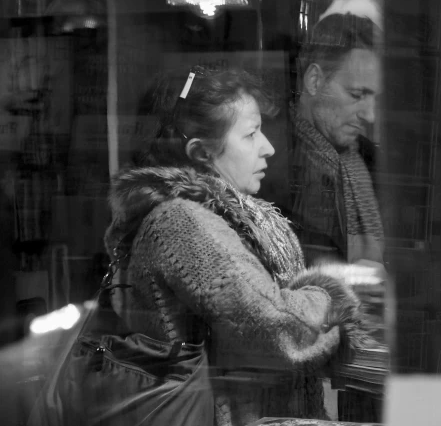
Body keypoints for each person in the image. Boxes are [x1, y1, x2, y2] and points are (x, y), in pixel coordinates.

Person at [104, 67, 372, 426]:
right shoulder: (182, 223)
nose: (268, 147)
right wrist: (335, 298)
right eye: (250, 134)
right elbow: (276, 329)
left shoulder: (234, 215)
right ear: (201, 153)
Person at [260, 0, 385, 267]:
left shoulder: (367, 158)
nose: (370, 115)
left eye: (375, 98)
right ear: (315, 81)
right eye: (356, 94)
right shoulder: (264, 158)